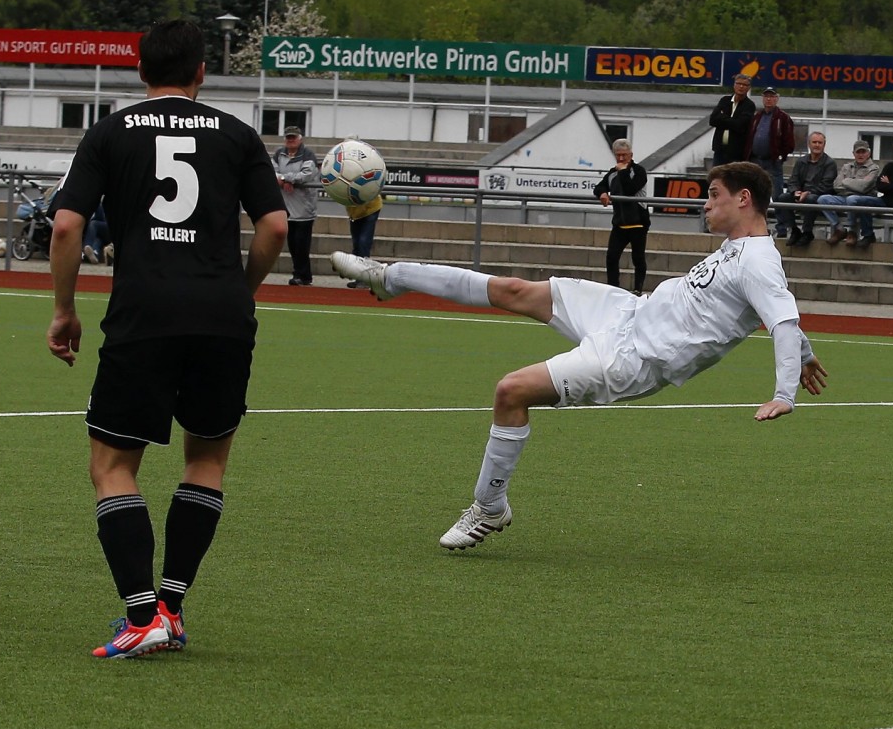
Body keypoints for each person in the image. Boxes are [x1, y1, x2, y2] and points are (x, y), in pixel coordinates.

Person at [330, 161, 828, 550]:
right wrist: (805, 355)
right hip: (627, 313)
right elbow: (779, 316)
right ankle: (388, 278)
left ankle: (488, 507)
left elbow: (782, 318)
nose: (705, 205)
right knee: (513, 288)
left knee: (510, 391)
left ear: (744, 199)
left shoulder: (760, 259)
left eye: (713, 196)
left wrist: (786, 390)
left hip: (632, 359)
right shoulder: (738, 249)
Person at [45, 18, 288, 658]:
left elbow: (67, 226)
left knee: (113, 466)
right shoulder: (238, 134)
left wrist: (64, 309)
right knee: (205, 460)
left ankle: (140, 614)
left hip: (143, 314)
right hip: (222, 315)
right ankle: (172, 609)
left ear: (140, 70)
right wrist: (242, 289)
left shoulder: (110, 131)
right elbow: (275, 227)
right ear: (202, 72)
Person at [593, 138, 650, 293]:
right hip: (620, 223)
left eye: (624, 155)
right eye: (618, 155)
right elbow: (599, 186)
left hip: (638, 222)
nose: (621, 158)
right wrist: (603, 192)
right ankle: (613, 288)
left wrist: (623, 171)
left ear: (631, 154)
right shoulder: (612, 173)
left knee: (638, 258)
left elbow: (630, 189)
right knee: (611, 257)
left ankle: (638, 289)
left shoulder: (639, 171)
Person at [774, 131, 838, 246]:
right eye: (814, 142)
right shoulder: (801, 161)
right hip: (801, 194)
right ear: (809, 144)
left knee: (811, 199)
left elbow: (826, 185)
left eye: (820, 142)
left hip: (819, 196)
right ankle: (794, 230)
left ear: (824, 145)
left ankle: (807, 232)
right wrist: (795, 192)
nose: (817, 145)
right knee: (782, 198)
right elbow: (793, 180)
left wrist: (808, 193)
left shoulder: (830, 163)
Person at [273, 125, 319, 285]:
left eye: (293, 137)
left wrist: (287, 179)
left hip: (304, 208)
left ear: (300, 139)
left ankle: (303, 274)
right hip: (287, 207)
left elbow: (307, 175)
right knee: (292, 243)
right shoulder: (279, 154)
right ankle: (299, 273)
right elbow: (272, 170)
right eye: (288, 138)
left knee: (302, 244)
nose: (291, 140)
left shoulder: (308, 155)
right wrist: (283, 179)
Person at [819, 141, 881, 245]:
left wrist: (846, 181)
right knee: (822, 199)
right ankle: (840, 229)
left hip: (862, 199)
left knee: (852, 199)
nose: (860, 155)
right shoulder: (846, 167)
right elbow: (836, 185)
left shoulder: (874, 168)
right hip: (843, 197)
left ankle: (852, 231)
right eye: (858, 152)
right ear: (853, 153)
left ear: (868, 153)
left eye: (863, 152)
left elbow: (864, 187)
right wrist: (854, 185)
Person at [746, 87, 796, 207]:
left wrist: (780, 156)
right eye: (766, 96)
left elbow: (789, 142)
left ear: (776, 99)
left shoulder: (783, 118)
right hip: (755, 160)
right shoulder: (757, 116)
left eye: (771, 97)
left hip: (772, 162)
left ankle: (781, 225)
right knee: (754, 193)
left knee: (777, 195)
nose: (768, 99)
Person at [708, 73, 756, 169]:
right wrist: (731, 121)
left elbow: (739, 125)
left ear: (748, 87)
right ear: (734, 85)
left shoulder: (749, 105)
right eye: (738, 83)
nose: (741, 87)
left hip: (736, 152)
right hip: (719, 150)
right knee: (716, 177)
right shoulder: (725, 100)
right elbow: (713, 120)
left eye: (744, 85)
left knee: (733, 180)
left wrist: (722, 119)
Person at [343, 189, 383, 287]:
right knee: (356, 243)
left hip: (371, 208)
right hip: (354, 212)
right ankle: (359, 278)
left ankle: (365, 279)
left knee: (363, 242)